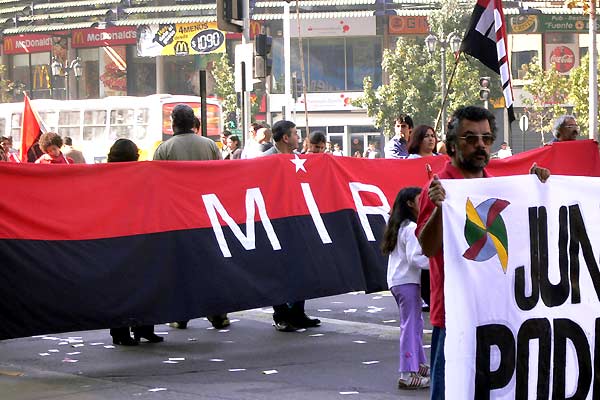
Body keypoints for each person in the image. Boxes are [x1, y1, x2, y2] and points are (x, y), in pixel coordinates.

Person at [416, 106, 551, 399]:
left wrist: (538, 189)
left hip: (499, 317)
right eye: (471, 138)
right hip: (455, 319)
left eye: (486, 138)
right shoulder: (438, 187)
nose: (480, 145)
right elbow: (427, 248)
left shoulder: (495, 185)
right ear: (453, 144)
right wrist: (441, 210)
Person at [153, 104, 229, 330]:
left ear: (172, 123)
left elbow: (159, 185)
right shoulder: (210, 146)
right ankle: (218, 313)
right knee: (211, 266)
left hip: (178, 217)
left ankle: (181, 315)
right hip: (207, 214)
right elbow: (222, 177)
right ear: (193, 122)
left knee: (182, 268)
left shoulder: (164, 149)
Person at [260, 120, 321, 331]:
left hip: (298, 221)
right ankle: (281, 315)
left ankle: (298, 312)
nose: (298, 137)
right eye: (295, 134)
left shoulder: (299, 160)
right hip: (276, 224)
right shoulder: (265, 161)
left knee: (302, 266)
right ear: (285, 138)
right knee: (279, 268)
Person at [107, 139, 164, 345]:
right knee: (144, 283)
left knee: (120, 287)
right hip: (139, 235)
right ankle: (144, 327)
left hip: (115, 237)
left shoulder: (103, 175)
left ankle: (121, 332)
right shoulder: (141, 172)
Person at [382, 187, 430, 390]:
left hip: (399, 281)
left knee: (415, 323)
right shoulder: (410, 228)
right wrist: (435, 258)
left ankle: (417, 365)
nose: (424, 202)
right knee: (411, 325)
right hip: (407, 282)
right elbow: (415, 258)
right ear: (410, 203)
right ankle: (407, 373)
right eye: (421, 199)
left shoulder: (398, 225)